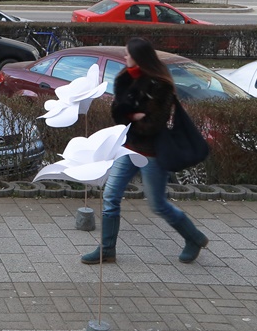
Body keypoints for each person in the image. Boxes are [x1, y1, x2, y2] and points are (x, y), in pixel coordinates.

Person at [81, 37, 209, 265]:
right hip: (128, 149)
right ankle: (107, 250)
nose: (125, 57)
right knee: (110, 196)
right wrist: (134, 115)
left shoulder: (160, 85)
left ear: (139, 57)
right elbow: (117, 113)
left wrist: (132, 116)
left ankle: (194, 238)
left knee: (157, 204)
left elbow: (153, 124)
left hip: (151, 154)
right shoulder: (124, 78)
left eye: (128, 54)